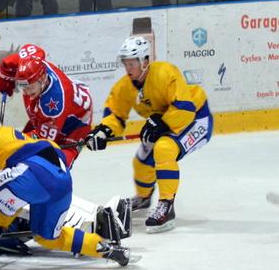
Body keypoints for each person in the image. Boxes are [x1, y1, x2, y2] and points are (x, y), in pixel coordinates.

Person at [0, 108, 131, 270]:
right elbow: (10, 201)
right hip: (62, 183)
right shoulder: (20, 139)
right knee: (48, 236)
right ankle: (108, 249)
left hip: (33, 172)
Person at [84, 35, 212, 233]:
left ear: (145, 61)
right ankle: (144, 198)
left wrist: (162, 122)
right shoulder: (125, 86)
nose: (128, 68)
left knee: (164, 148)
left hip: (194, 118)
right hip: (164, 120)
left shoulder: (165, 72)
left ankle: (167, 206)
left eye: (132, 63)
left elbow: (185, 109)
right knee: (142, 162)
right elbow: (115, 116)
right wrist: (104, 130)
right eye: (125, 63)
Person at [6, 52, 93, 168]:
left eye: (29, 86)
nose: (25, 91)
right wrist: (4, 74)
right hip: (67, 102)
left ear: (42, 78)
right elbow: (26, 52)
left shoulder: (53, 106)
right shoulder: (37, 65)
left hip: (77, 123)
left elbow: (43, 142)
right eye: (21, 86)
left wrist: (10, 141)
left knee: (55, 165)